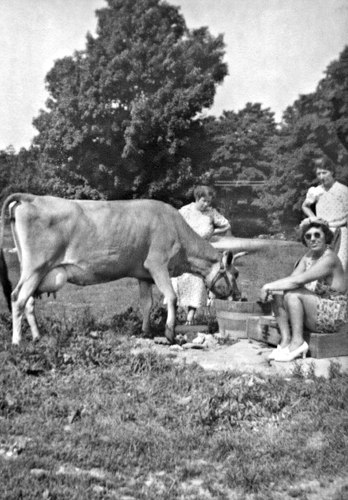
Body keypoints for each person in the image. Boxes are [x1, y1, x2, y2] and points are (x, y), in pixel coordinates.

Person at [259, 220, 347, 362]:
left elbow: (298, 281)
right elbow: (291, 279)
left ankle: (298, 343)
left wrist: (267, 286)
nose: (313, 239)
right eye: (308, 236)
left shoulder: (330, 259)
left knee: (294, 294)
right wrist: (272, 289)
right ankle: (286, 341)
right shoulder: (308, 257)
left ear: (326, 237)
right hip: (316, 309)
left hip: (333, 315)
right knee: (278, 293)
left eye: (317, 234)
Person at [172, 185, 231, 325]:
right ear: (197, 198)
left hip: (201, 254)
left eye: (209, 202)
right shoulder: (185, 211)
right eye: (204, 201)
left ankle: (190, 318)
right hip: (183, 252)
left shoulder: (211, 213)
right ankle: (172, 316)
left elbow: (226, 225)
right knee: (176, 282)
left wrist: (213, 232)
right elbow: (172, 224)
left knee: (197, 282)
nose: (206, 204)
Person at [301, 155, 348, 270]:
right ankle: (318, 287)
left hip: (341, 232)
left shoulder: (343, 190)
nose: (321, 177)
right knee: (319, 264)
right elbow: (305, 206)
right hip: (322, 231)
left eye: (324, 172)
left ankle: (336, 288)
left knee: (339, 264)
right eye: (318, 174)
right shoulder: (316, 191)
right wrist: (313, 218)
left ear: (331, 171)